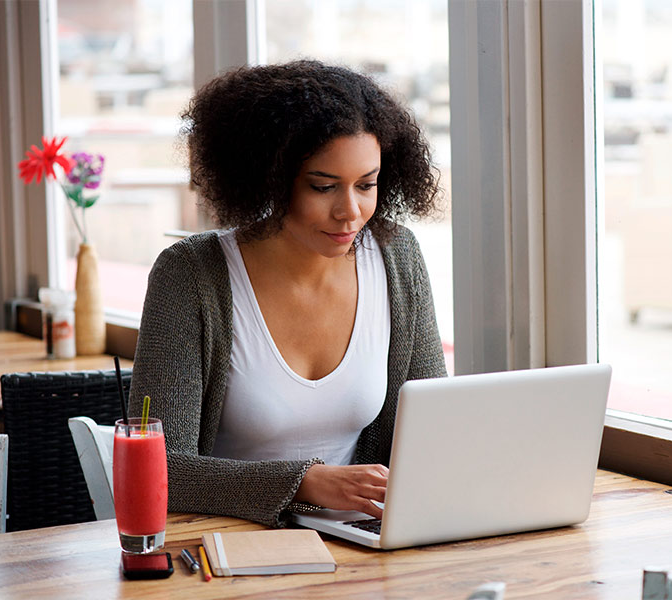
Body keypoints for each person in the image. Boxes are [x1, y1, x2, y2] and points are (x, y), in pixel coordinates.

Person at [128, 60, 446, 528]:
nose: (350, 212)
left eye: (367, 184)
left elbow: (433, 426)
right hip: (229, 551)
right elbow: (157, 467)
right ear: (270, 179)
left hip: (360, 545)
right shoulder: (191, 275)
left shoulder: (396, 259)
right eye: (323, 187)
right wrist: (304, 482)